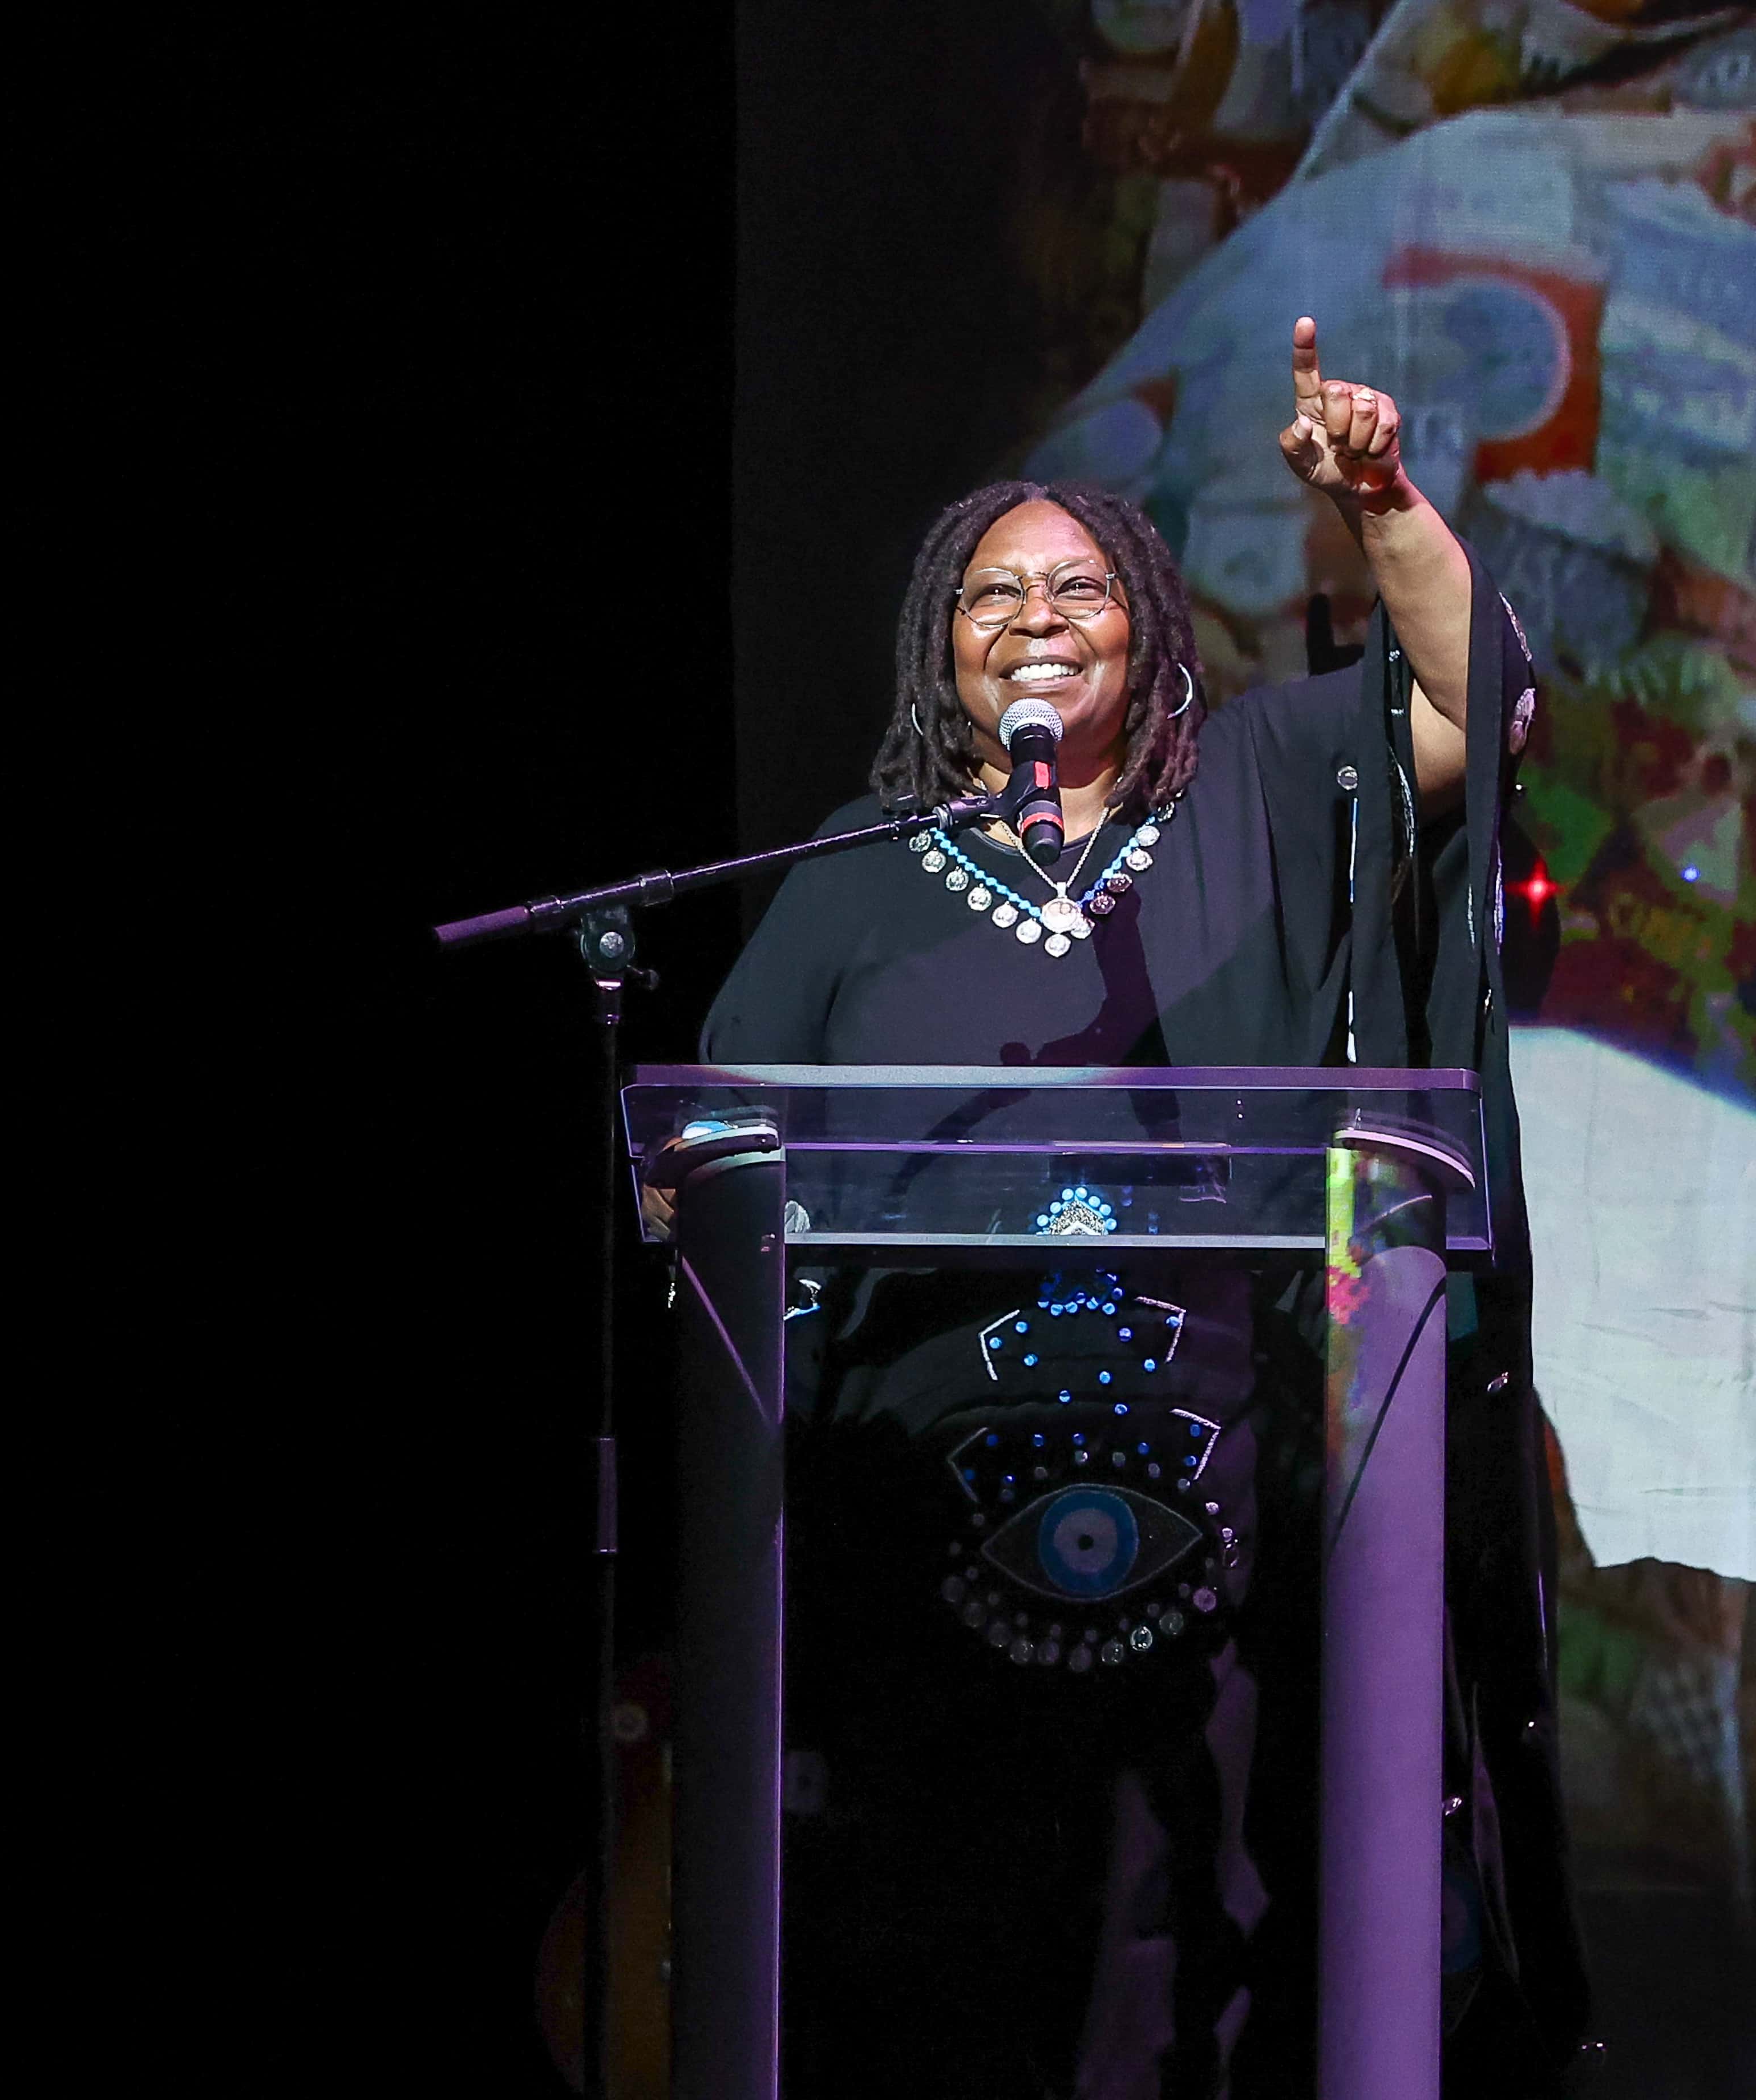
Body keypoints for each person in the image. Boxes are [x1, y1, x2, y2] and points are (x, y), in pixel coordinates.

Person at [699, 320, 1589, 2096]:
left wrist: (1387, 506)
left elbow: (1475, 700)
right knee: (942, 1953)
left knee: (1191, 1952)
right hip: (912, 1547)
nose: (1034, 615)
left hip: (1223, 1526)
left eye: (1080, 586)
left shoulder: (1258, 788)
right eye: (989, 595)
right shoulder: (847, 875)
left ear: (1154, 630)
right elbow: (714, 1146)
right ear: (939, 652)